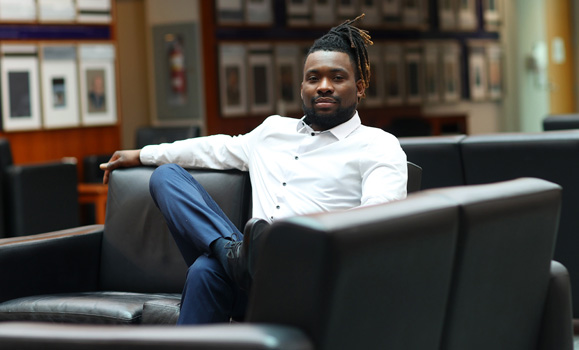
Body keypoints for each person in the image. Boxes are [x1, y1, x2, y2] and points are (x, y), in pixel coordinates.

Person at [100, 15, 407, 325]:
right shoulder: (272, 131)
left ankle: (234, 257)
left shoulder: (377, 144)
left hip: (313, 280)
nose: (323, 86)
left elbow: (379, 219)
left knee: (206, 269)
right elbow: (214, 149)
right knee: (166, 177)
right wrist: (141, 154)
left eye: (337, 77)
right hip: (252, 277)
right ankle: (233, 254)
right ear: (302, 86)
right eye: (313, 78)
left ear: (360, 86)